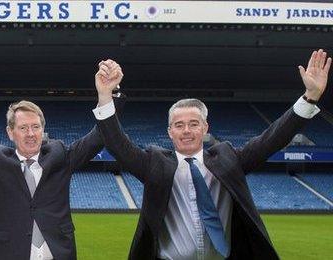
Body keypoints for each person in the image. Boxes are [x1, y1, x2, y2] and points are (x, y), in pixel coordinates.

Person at [92, 50, 331, 260]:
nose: (186, 130)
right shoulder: (155, 163)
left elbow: (272, 139)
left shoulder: (228, 158)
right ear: (169, 132)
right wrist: (105, 96)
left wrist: (309, 97)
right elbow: (117, 144)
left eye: (194, 123)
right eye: (179, 125)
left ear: (205, 128)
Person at [0, 66, 112, 260]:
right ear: (10, 132)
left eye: (35, 127)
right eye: (23, 128)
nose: (31, 134)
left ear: (43, 129)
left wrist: (106, 94)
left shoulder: (60, 155)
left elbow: (100, 135)